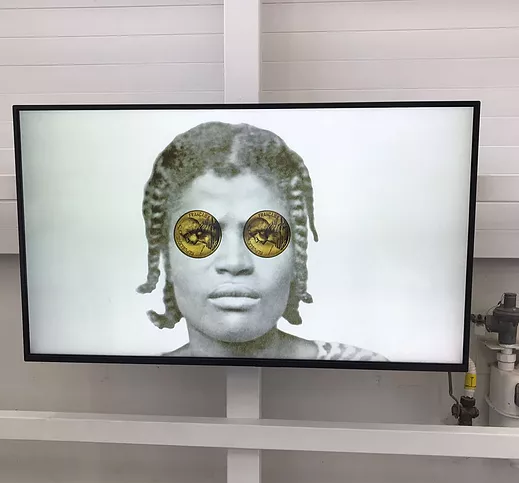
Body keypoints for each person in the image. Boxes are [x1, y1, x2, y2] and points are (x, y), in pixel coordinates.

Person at [137, 121, 387, 361]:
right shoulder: (140, 383)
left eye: (265, 235)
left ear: (296, 258)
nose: (235, 263)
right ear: (166, 258)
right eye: (199, 235)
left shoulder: (363, 375)